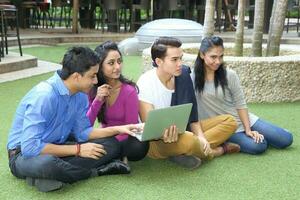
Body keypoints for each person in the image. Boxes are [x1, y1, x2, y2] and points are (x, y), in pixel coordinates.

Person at [7, 47, 141, 192]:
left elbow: (83, 132)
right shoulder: (44, 96)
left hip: (59, 144)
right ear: (77, 76)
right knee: (47, 164)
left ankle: (49, 175)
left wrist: (118, 129)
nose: (96, 81)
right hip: (23, 155)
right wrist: (77, 149)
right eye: (92, 76)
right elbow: (30, 148)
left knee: (112, 145)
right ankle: (97, 172)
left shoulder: (80, 95)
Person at [137, 36, 240, 169]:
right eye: (174, 60)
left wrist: (201, 137)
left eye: (181, 58)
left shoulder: (184, 74)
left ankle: (183, 152)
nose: (180, 63)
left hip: (183, 130)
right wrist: (167, 135)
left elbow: (193, 118)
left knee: (230, 121)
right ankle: (216, 152)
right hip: (157, 142)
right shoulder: (146, 82)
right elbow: (150, 129)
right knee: (190, 139)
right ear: (158, 61)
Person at [192, 36, 293, 155]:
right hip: (224, 127)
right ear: (202, 55)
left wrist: (248, 129)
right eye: (213, 57)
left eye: (221, 56)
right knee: (259, 146)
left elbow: (240, 104)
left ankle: (270, 133)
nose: (218, 61)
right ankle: (225, 144)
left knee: (286, 139)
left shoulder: (230, 75)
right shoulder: (191, 78)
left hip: (243, 119)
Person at [87, 41, 149, 164]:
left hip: (125, 137)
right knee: (81, 138)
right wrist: (98, 100)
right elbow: (86, 124)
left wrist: (110, 139)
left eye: (119, 61)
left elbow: (131, 128)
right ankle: (115, 156)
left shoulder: (129, 91)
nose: (117, 67)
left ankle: (112, 154)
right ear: (99, 66)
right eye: (111, 63)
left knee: (139, 147)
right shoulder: (92, 89)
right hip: (104, 136)